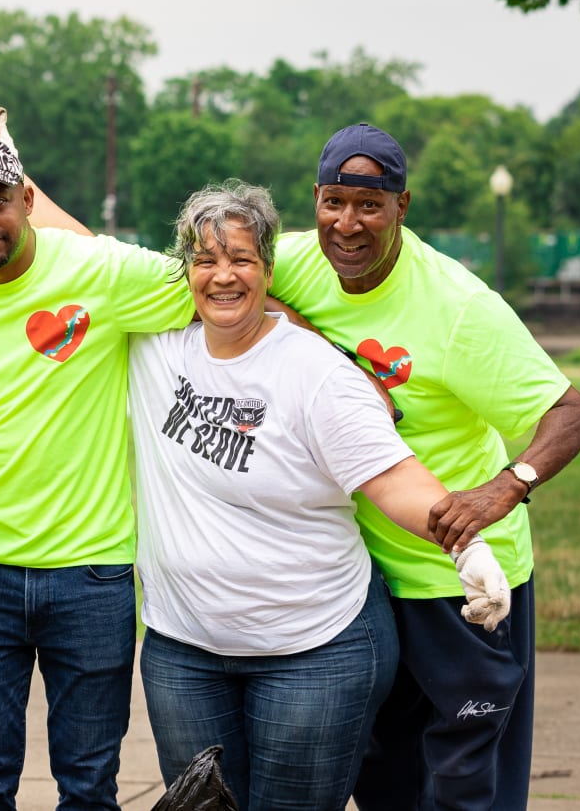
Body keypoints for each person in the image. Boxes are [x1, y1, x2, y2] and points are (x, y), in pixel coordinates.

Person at [128, 179, 511, 810]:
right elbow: (76, 248)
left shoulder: (318, 372)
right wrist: (5, 196)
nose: (223, 277)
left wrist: (468, 551)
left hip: (315, 652)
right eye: (206, 260)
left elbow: (393, 479)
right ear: (184, 271)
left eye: (242, 260)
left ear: (269, 270)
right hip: (183, 651)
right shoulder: (150, 348)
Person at [267, 123, 580, 811]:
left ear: (402, 206)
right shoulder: (292, 262)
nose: (347, 223)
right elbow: (200, 273)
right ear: (315, 201)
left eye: (369, 205)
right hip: (362, 584)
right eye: (334, 202)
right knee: (383, 781)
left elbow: (573, 412)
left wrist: (506, 487)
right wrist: (292, 326)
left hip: (465, 585)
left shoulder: (458, 308)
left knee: (465, 785)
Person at [0, 136, 195, 810]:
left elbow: (215, 282)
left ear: (29, 199)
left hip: (91, 574)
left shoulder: (101, 272)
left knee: (90, 787)